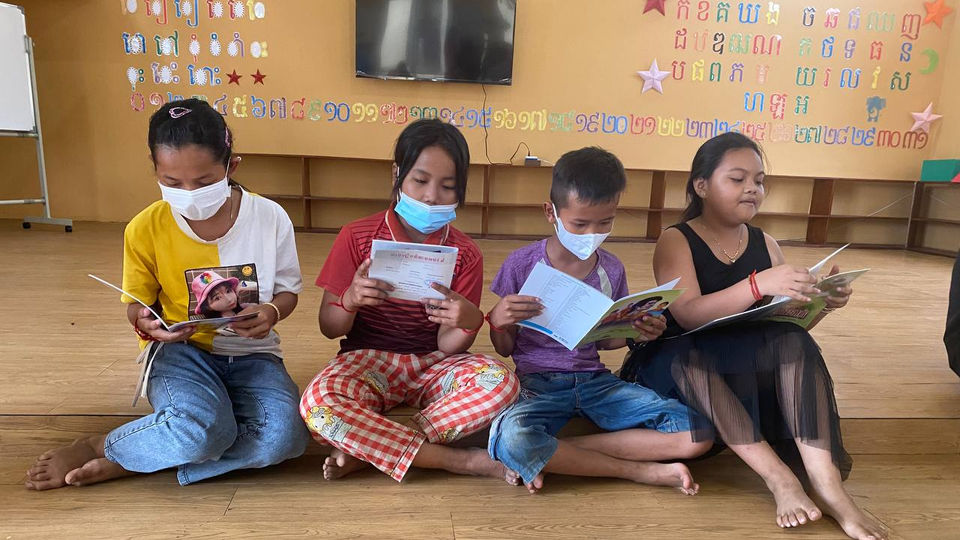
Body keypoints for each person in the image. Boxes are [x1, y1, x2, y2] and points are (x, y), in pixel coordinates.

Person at [24, 98, 309, 490]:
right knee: (206, 428)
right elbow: (136, 307)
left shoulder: (270, 217)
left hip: (252, 355)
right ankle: (103, 445)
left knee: (287, 439)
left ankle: (138, 455)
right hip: (181, 352)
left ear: (232, 166)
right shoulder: (144, 228)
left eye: (205, 181)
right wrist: (148, 324)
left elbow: (288, 292)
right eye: (172, 183)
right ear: (156, 171)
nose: (189, 193)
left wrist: (272, 314)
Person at [620, 132, 888, 540]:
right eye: (737, 178)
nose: (752, 189)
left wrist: (822, 305)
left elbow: (785, 324)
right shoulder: (677, 239)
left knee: (795, 343)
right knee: (691, 357)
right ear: (702, 185)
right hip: (680, 365)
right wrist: (758, 282)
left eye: (759, 181)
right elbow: (688, 315)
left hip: (743, 363)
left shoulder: (767, 243)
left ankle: (829, 487)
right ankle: (780, 479)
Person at [299, 119, 520, 483]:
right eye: (420, 181)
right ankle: (459, 461)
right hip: (365, 361)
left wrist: (467, 322)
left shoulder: (465, 253)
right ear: (397, 174)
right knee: (319, 405)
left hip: (434, 364)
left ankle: (370, 450)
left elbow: (447, 346)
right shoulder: (356, 236)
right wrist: (350, 300)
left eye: (448, 187)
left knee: (502, 383)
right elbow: (329, 327)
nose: (432, 196)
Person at [485, 147, 711, 494]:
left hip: (595, 383)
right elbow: (504, 348)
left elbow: (605, 341)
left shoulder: (611, 268)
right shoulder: (521, 264)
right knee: (513, 435)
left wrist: (637, 331)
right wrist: (498, 321)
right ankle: (640, 471)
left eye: (605, 222)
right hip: (538, 384)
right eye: (579, 223)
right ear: (551, 212)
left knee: (697, 432)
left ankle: (556, 456)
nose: (592, 232)